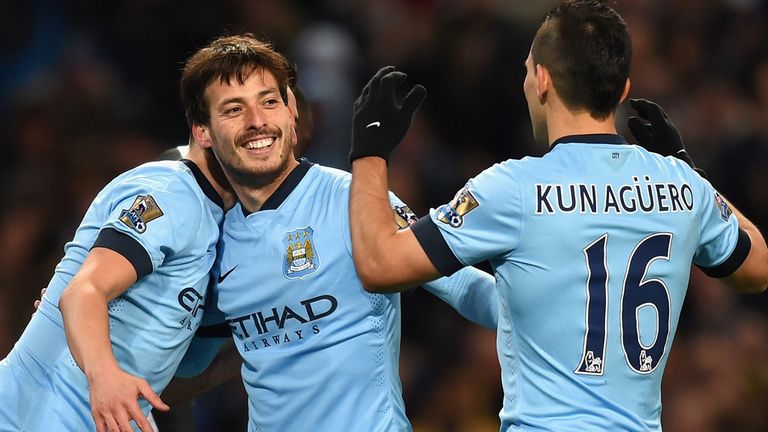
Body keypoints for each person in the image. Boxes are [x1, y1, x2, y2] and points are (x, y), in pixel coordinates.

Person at [346, 1, 768, 430]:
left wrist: (368, 151)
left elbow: (379, 265)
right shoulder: (681, 185)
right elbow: (758, 268)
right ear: (623, 89)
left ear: (543, 80)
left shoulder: (514, 188)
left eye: (528, 70)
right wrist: (686, 166)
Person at [176, 33, 498, 431]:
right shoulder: (213, 241)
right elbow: (191, 363)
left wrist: (566, 328)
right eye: (233, 109)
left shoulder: (352, 198)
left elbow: (463, 287)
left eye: (269, 101)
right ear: (203, 132)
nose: (257, 121)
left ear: (291, 111)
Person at [0, 130, 235, 431]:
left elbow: (185, 370)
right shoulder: (174, 193)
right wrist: (104, 373)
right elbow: (82, 293)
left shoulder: (225, 239)